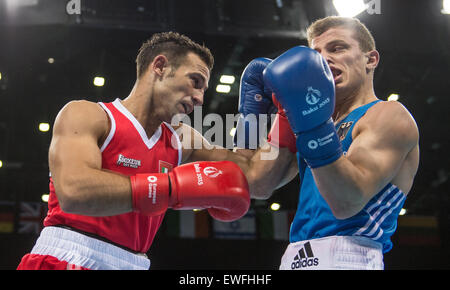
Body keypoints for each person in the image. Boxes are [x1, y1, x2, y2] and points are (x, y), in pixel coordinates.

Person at [16, 32, 252, 270]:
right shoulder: (89, 115)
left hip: (134, 262)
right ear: (160, 66)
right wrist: (170, 188)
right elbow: (73, 191)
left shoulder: (183, 139)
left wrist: (286, 123)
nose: (201, 98)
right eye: (195, 81)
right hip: (68, 255)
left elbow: (253, 175)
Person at [242, 16, 419, 270]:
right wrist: (261, 114)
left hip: (348, 256)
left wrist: (311, 125)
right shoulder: (313, 119)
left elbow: (346, 201)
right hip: (295, 256)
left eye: (337, 48)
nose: (323, 59)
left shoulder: (388, 115)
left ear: (371, 59)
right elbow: (258, 184)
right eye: (316, 53)